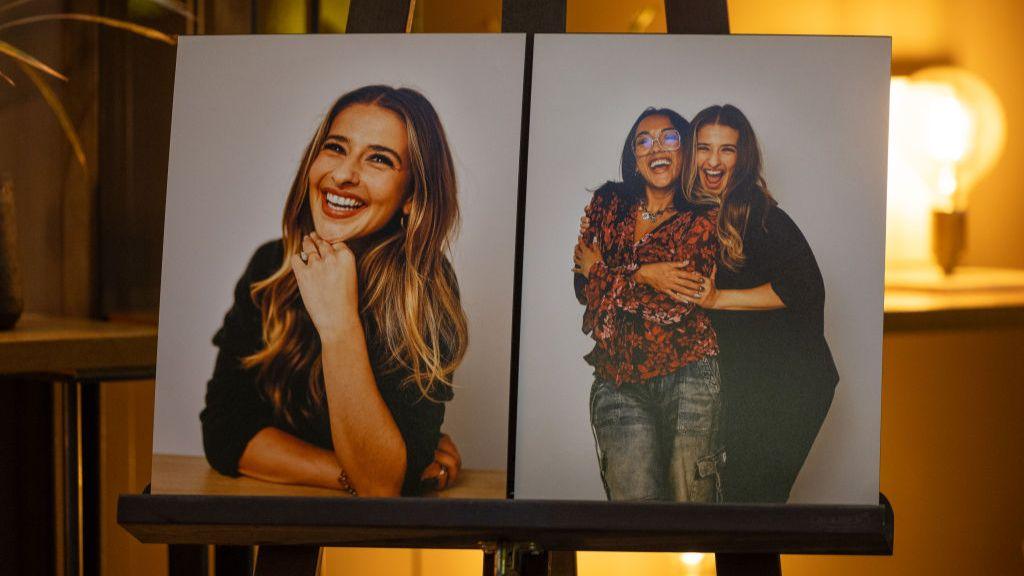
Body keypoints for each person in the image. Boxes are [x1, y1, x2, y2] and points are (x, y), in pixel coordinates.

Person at [200, 85, 467, 497]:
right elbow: (225, 433)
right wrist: (343, 473)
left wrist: (339, 324)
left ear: (412, 195)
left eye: (379, 158)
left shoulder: (425, 287)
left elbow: (380, 483)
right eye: (336, 148)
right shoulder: (271, 266)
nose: (343, 174)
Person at [670, 104, 840, 502]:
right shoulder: (690, 214)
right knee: (733, 511)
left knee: (748, 510)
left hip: (787, 384)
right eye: (704, 148)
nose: (714, 160)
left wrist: (717, 298)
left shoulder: (761, 215)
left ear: (741, 158)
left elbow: (804, 289)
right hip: (742, 382)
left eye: (726, 149)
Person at [572, 108, 724, 502]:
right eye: (644, 140)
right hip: (618, 379)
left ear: (685, 150)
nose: (656, 147)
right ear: (635, 157)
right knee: (635, 513)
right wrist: (646, 274)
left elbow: (674, 307)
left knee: (692, 506)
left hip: (688, 373)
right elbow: (580, 285)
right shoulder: (608, 203)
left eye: (669, 138)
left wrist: (605, 272)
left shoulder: (703, 219)